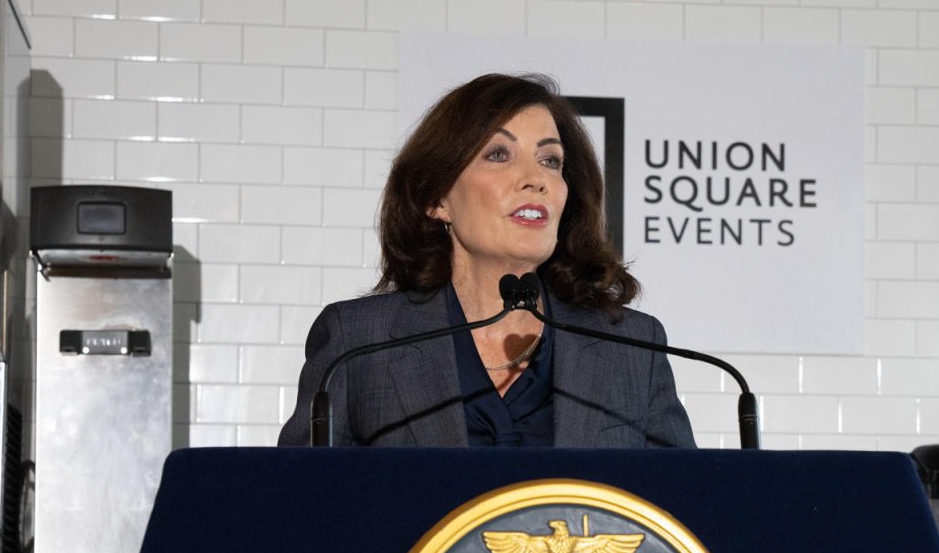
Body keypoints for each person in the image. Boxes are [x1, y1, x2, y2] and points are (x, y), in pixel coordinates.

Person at [277, 73, 694, 448]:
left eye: (551, 160)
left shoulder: (632, 349)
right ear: (436, 198)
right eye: (498, 154)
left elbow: (679, 511)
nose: (536, 178)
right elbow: (301, 508)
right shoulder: (360, 342)